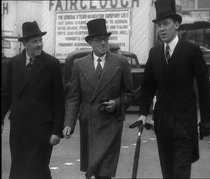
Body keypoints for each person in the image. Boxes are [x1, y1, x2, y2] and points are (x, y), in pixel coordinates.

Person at [136, 0, 210, 178]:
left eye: (166, 24)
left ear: (177, 25)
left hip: (184, 124)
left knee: (180, 173)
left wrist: (206, 120)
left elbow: (204, 87)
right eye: (159, 25)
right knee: (168, 172)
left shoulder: (191, 51)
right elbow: (148, 86)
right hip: (162, 124)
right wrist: (142, 112)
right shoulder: (154, 53)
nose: (162, 28)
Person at [63, 18, 134, 179]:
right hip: (89, 124)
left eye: (105, 39)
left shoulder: (120, 63)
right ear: (90, 43)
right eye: (98, 40)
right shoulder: (79, 65)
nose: (103, 43)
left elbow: (130, 94)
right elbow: (74, 98)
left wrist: (116, 103)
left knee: (104, 174)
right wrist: (68, 124)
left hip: (111, 125)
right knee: (94, 171)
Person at [1, 21, 65, 179]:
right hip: (19, 129)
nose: (39, 45)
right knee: (18, 170)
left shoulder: (52, 64)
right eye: (34, 41)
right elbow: (6, 95)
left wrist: (57, 130)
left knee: (39, 171)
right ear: (25, 44)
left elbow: (59, 100)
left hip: (42, 130)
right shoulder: (13, 64)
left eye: (40, 40)